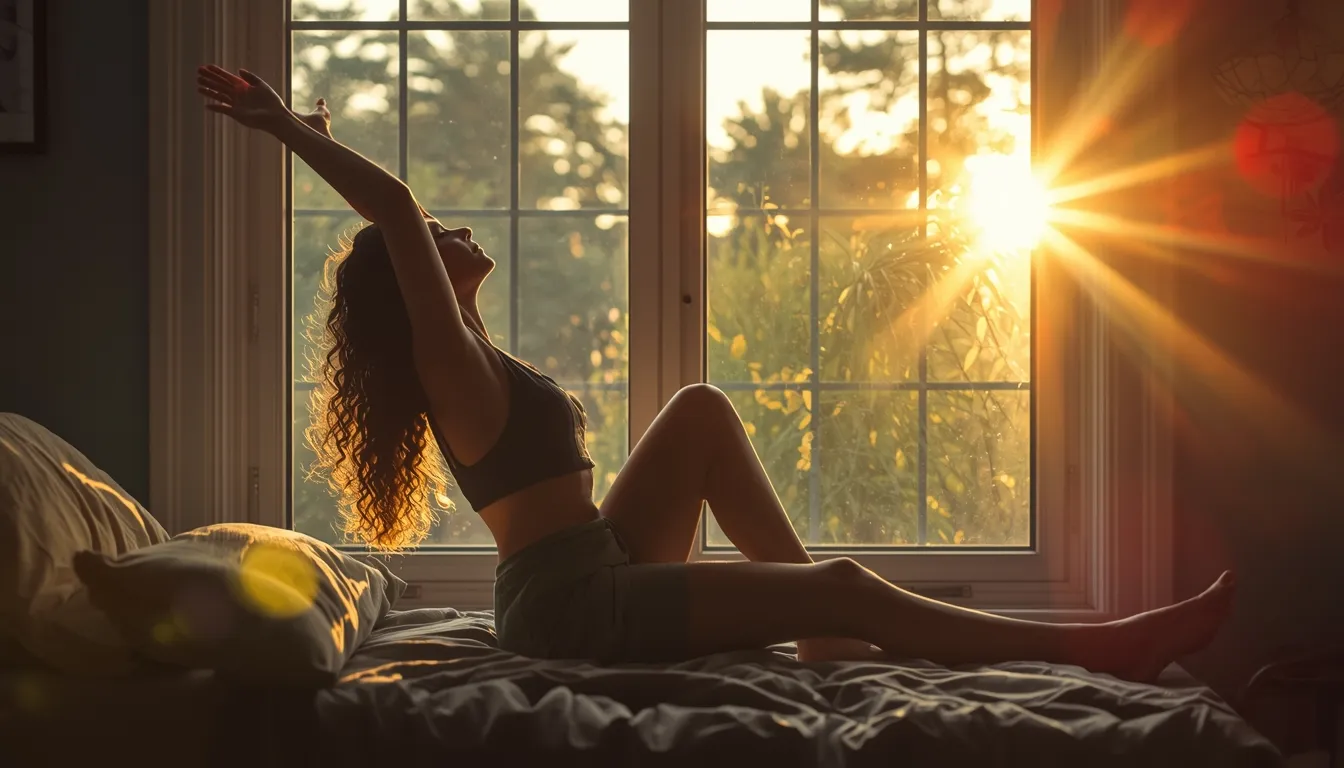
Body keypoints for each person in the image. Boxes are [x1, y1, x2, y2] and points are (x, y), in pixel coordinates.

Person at [196, 64, 1235, 680]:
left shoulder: (471, 353)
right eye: (432, 234)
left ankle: (824, 634)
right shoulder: (447, 365)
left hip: (595, 558)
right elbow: (390, 210)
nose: (451, 229)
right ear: (413, 280)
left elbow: (401, 223)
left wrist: (316, 131)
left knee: (696, 409)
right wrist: (288, 129)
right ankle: (1096, 650)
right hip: (569, 605)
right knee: (844, 578)